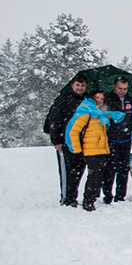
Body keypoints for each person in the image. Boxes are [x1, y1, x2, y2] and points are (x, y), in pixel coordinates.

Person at [66, 90, 126, 211]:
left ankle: (91, 198)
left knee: (97, 176)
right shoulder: (86, 111)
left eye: (101, 98)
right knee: (94, 177)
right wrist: (77, 150)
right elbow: (74, 131)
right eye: (97, 97)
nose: (99, 100)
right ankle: (88, 200)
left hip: (100, 149)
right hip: (90, 149)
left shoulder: (98, 113)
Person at [45, 74, 88, 207]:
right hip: (65, 142)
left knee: (79, 170)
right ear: (72, 85)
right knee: (67, 171)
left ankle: (73, 197)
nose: (80, 88)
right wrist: (56, 140)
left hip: (81, 142)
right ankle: (66, 199)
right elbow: (55, 119)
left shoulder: (87, 100)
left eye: (82, 86)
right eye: (77, 85)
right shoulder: (63, 99)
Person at [102, 76, 132, 204]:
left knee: (123, 169)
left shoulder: (130, 100)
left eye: (124, 89)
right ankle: (108, 194)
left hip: (126, 139)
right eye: (120, 88)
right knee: (110, 169)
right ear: (114, 87)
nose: (122, 91)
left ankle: (120, 195)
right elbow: (101, 118)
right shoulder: (107, 99)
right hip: (111, 139)